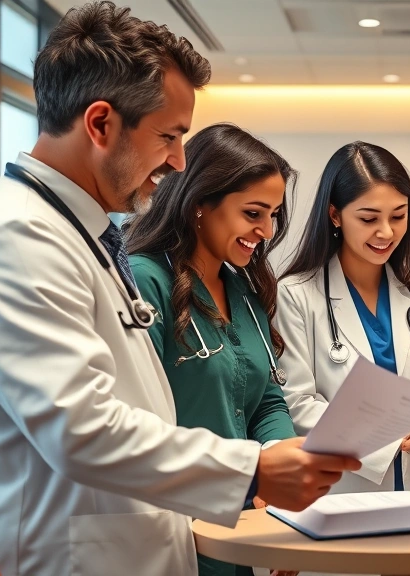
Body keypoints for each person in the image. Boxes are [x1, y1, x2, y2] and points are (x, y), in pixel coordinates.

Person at [0, 4, 358, 575]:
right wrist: (252, 470)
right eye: (169, 135)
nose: (179, 161)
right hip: (72, 558)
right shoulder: (17, 234)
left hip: (143, 544)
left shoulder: (81, 234)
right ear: (101, 123)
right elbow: (79, 427)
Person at [127, 123, 300, 576]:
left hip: (240, 529)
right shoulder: (145, 282)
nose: (266, 230)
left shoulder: (242, 286)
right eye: (253, 213)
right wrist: (252, 472)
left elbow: (265, 400)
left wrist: (280, 469)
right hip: (172, 527)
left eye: (274, 215)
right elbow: (134, 419)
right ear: (200, 202)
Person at [276, 141, 410, 497]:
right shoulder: (296, 295)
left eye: (398, 216)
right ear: (335, 215)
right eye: (369, 218)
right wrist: (388, 438)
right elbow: (298, 404)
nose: (386, 232)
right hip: (343, 488)